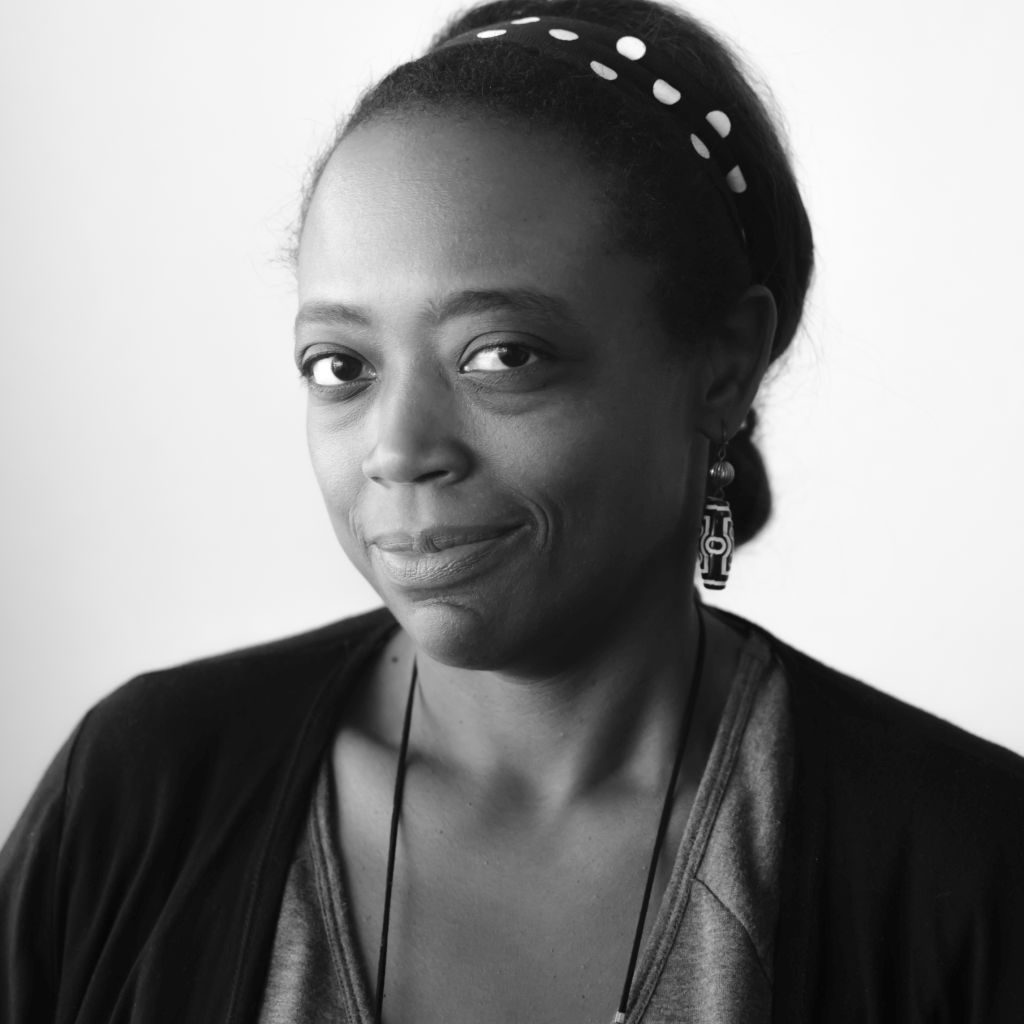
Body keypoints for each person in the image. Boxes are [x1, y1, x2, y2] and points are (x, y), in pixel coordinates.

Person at [3, 0, 1024, 1021]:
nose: (399, 449)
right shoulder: (142, 792)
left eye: (502, 355)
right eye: (341, 365)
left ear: (722, 367)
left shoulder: (972, 866)